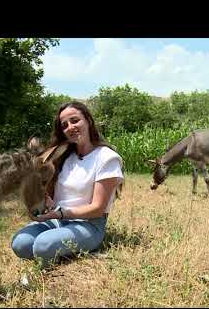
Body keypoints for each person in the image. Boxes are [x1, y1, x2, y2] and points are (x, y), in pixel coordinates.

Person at [11, 101, 124, 268]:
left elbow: (98, 208)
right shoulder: (64, 156)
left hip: (88, 224)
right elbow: (51, 196)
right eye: (64, 125)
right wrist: (45, 203)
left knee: (43, 245)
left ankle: (60, 255)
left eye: (75, 120)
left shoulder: (107, 157)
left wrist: (59, 214)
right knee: (20, 243)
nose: (70, 127)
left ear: (88, 120)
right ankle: (61, 249)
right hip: (59, 219)